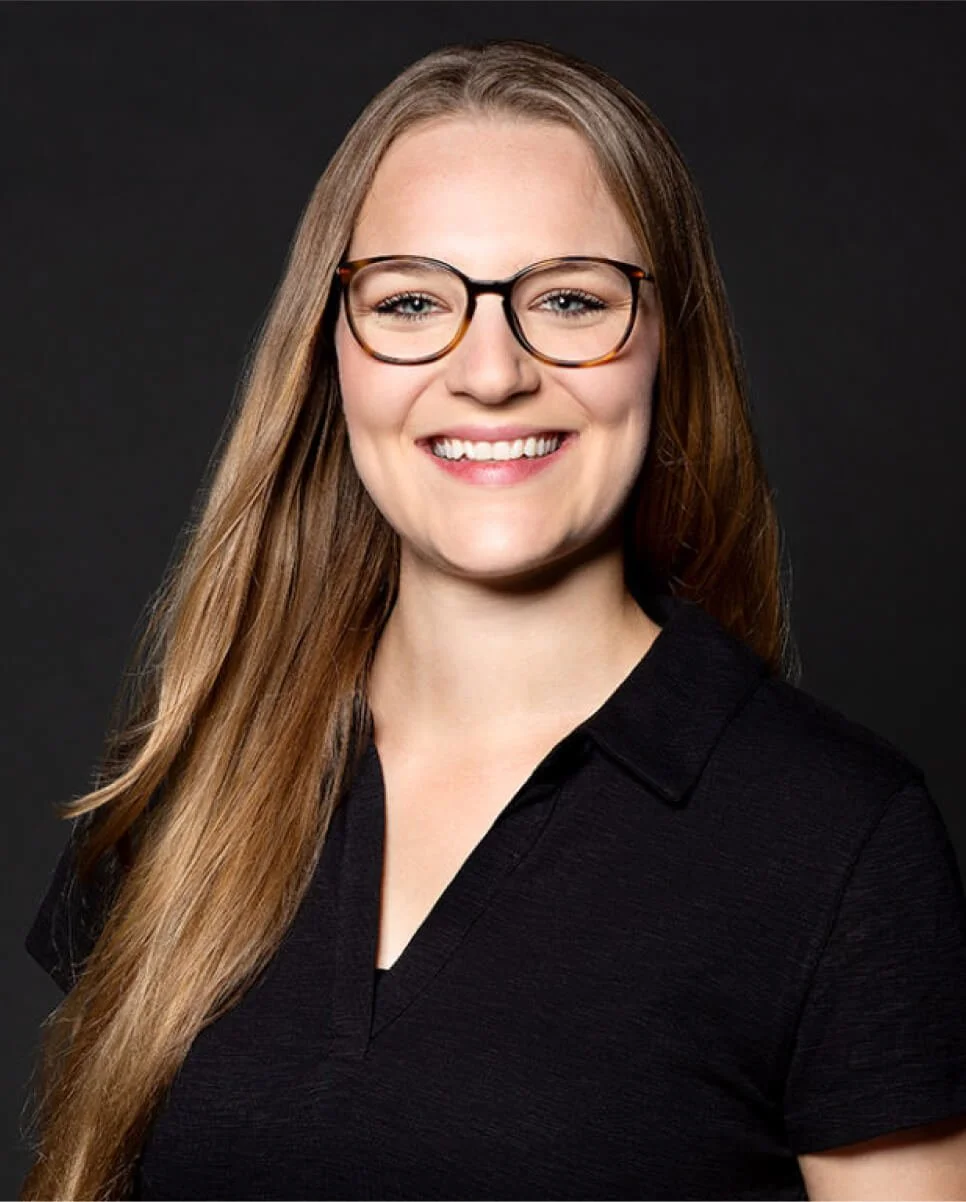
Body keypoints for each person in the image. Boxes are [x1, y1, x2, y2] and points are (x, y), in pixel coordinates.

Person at [21, 37, 966, 1202]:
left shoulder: (839, 838)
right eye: (412, 301)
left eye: (569, 299)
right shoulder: (187, 787)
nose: (490, 369)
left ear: (668, 343)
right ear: (332, 357)